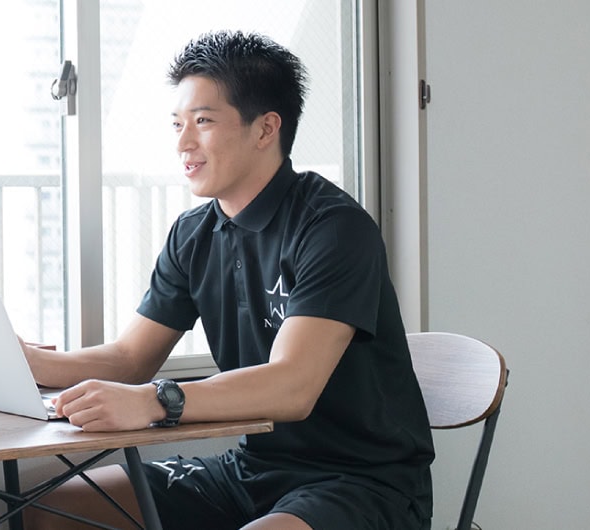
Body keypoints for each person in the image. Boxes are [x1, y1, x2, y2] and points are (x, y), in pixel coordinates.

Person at [21, 30, 434, 530]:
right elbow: (130, 359)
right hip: (252, 470)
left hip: (363, 482)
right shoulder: (193, 234)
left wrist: (154, 401)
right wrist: (29, 361)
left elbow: (293, 385)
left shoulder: (333, 228)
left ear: (265, 129)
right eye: (177, 124)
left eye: (203, 122)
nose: (183, 143)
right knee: (56, 509)